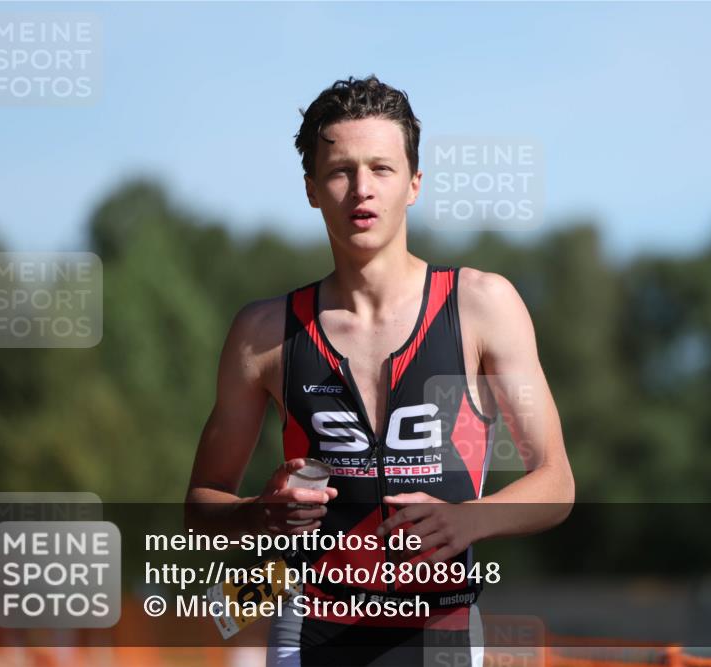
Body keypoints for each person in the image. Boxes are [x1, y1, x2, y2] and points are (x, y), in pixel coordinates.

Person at [185, 75, 574, 666]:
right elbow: (199, 507)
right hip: (308, 630)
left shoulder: (481, 305)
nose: (361, 189)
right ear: (312, 189)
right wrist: (257, 513)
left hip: (440, 631)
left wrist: (468, 521)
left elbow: (556, 484)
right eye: (340, 171)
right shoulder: (263, 331)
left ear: (414, 183)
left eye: (382, 169)